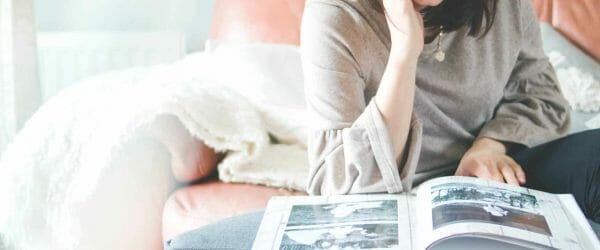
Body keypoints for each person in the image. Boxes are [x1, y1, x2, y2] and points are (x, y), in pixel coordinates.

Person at [165, 0, 600, 249]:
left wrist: (490, 145)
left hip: (490, 179)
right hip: (386, 199)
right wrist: (403, 52)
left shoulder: (500, 4)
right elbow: (344, 184)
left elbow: (541, 95)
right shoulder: (336, 15)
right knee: (194, 248)